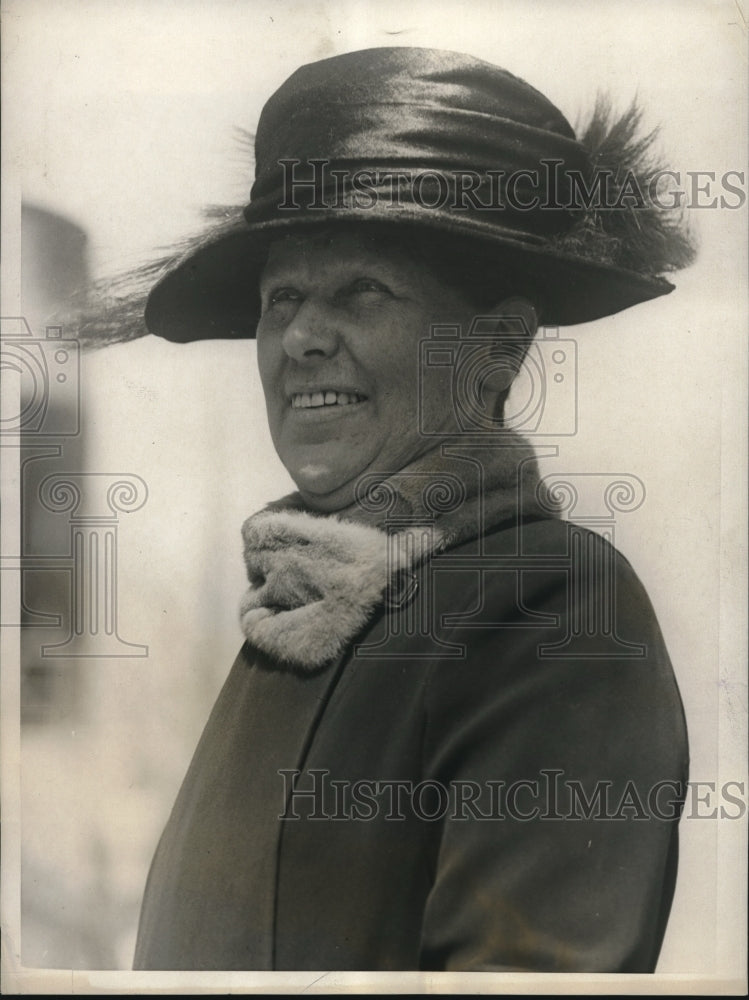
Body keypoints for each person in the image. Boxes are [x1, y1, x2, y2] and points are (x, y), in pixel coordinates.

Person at [130, 47, 691, 972]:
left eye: (362, 290)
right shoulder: (295, 611)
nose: (302, 339)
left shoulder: (554, 608)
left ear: (497, 348)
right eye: (282, 298)